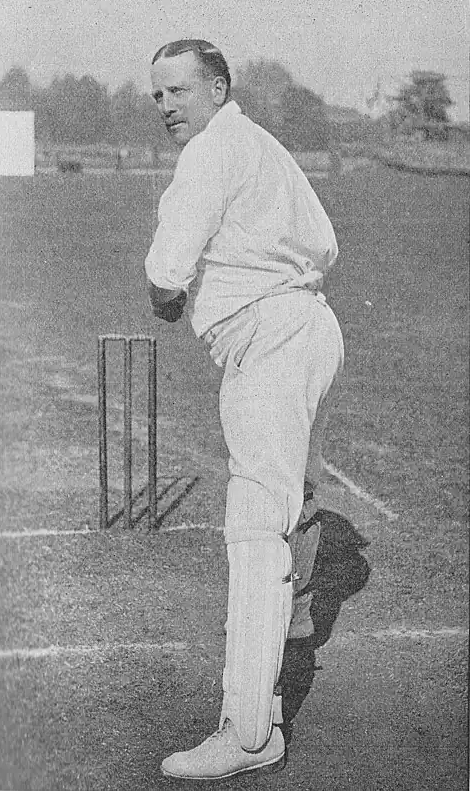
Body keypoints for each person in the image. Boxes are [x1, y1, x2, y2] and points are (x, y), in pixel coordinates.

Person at [145, 39, 344, 780]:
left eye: (179, 91)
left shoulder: (211, 150)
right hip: (307, 327)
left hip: (270, 337)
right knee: (290, 505)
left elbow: (167, 268)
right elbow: (324, 242)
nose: (166, 106)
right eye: (157, 94)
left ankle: (251, 732)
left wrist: (165, 298)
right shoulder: (262, 145)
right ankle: (289, 633)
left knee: (256, 526)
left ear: (218, 89)